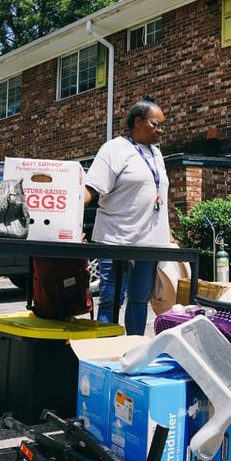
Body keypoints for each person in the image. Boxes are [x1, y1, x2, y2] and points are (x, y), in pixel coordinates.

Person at [84, 95, 171, 335]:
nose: (160, 130)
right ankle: (104, 353)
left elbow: (158, 195)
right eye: (156, 124)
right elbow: (90, 189)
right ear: (138, 122)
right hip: (116, 240)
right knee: (111, 299)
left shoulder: (157, 155)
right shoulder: (114, 149)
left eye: (162, 125)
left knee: (139, 300)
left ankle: (134, 349)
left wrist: (169, 234)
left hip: (149, 243)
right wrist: (66, 221)